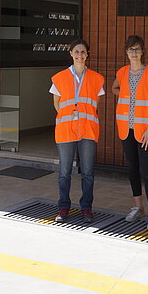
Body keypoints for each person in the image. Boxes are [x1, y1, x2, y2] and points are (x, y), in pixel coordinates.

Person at [112, 35, 148, 231]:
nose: (133, 53)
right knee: (132, 168)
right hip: (127, 128)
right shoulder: (122, 72)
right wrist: (125, 94)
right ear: (126, 52)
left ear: (143, 52)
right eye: (130, 49)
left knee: (146, 171)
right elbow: (114, 88)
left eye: (137, 49)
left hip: (145, 131)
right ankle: (138, 207)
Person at [50, 39, 104, 224]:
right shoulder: (59, 78)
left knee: (88, 172)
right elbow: (57, 104)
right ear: (71, 53)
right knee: (64, 172)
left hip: (88, 130)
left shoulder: (96, 79)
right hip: (66, 130)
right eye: (77, 52)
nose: (80, 55)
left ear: (87, 54)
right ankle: (63, 206)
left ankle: (86, 208)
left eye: (83, 52)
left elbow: (95, 105)